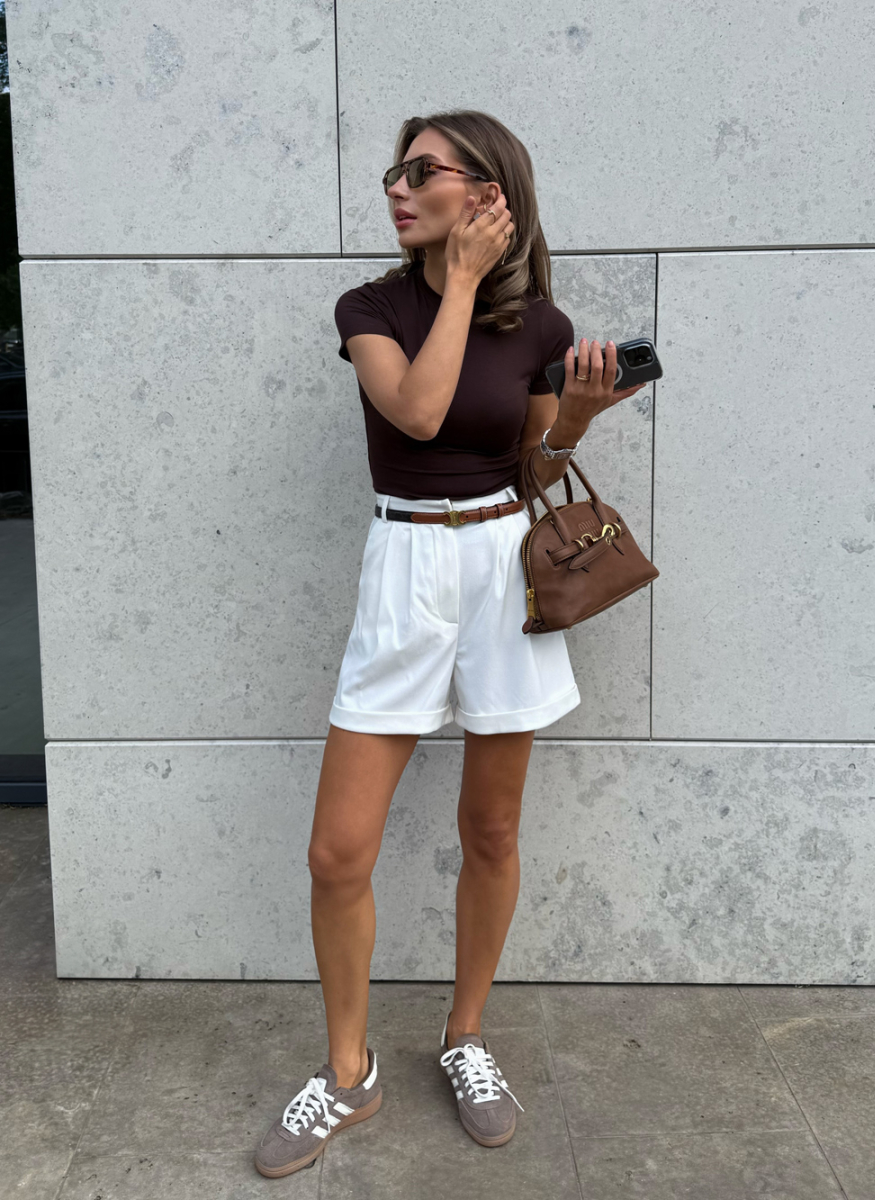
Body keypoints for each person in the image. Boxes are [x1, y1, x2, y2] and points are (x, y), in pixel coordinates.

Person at [254, 110, 648, 1179]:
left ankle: (465, 1035)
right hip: (405, 567)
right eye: (396, 169)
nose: (396, 185)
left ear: (486, 191)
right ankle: (350, 1073)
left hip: (502, 564)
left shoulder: (541, 324)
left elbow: (531, 467)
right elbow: (419, 416)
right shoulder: (371, 309)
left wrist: (577, 419)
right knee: (337, 852)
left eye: (421, 169)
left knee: (493, 829)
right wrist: (462, 281)